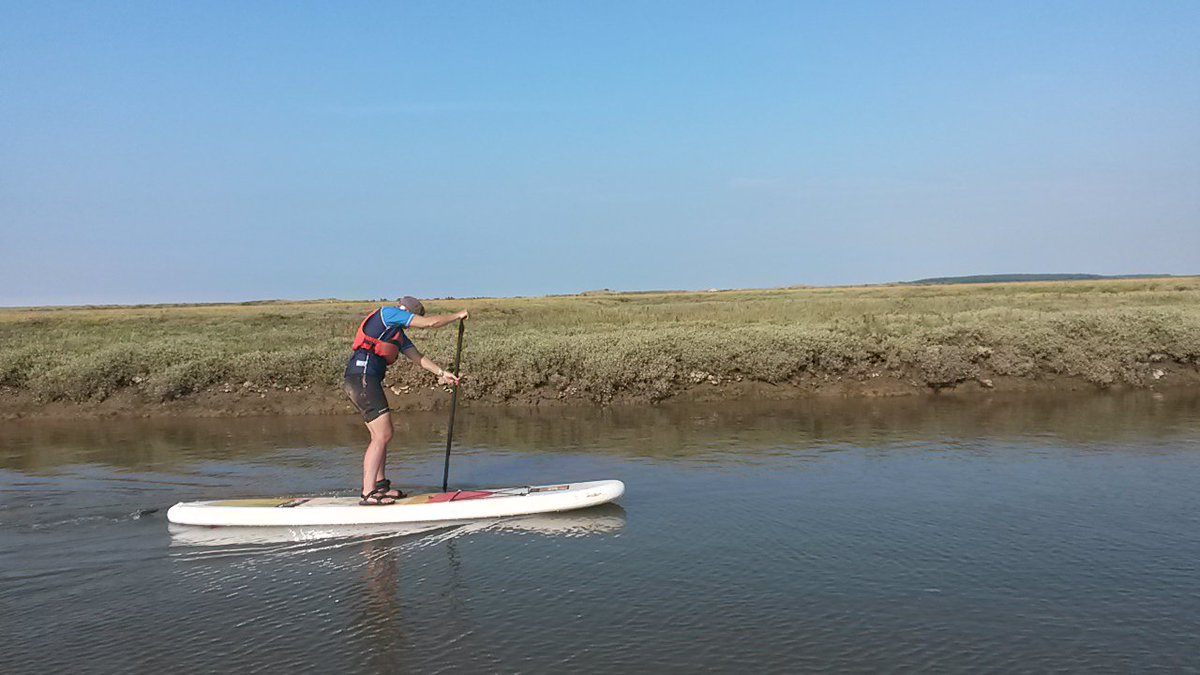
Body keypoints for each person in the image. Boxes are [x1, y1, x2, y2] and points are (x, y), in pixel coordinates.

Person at [343, 296, 469, 505]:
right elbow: (431, 323)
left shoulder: (397, 336)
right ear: (408, 313)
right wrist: (457, 316)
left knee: (381, 435)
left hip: (363, 380)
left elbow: (418, 357)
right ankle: (368, 493)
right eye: (413, 317)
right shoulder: (387, 314)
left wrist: (442, 373)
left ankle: (380, 486)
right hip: (361, 378)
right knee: (383, 434)